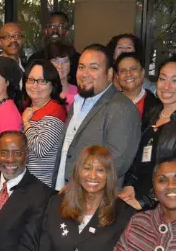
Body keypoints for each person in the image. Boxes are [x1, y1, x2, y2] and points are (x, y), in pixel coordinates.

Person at [16, 146, 135, 251]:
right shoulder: (56, 204)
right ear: (78, 171)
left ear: (109, 174)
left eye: (100, 170)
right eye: (87, 168)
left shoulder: (125, 215)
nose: (92, 176)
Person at [119, 55, 176, 211]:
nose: (166, 86)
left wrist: (144, 201)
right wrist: (129, 186)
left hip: (166, 205)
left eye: (175, 80)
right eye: (162, 79)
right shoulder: (151, 113)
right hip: (135, 197)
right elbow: (137, 157)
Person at [53, 44, 141, 191]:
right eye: (81, 67)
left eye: (93, 68)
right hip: (63, 195)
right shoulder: (77, 102)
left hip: (94, 202)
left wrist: (76, 189)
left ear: (110, 73)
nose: (85, 73)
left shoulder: (121, 108)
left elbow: (116, 162)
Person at [22, 59, 67, 187]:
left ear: (52, 85)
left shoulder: (55, 111)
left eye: (42, 81)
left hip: (42, 186)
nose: (35, 86)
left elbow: (41, 149)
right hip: (26, 184)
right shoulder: (28, 108)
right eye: (31, 80)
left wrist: (25, 123)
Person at [27, 11, 80, 86]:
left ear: (67, 32)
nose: (55, 30)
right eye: (51, 26)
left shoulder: (76, 59)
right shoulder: (36, 59)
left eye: (60, 26)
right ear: (46, 30)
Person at [113, 52, 159, 119]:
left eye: (133, 69)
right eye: (123, 71)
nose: (128, 74)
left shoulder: (157, 106)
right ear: (117, 77)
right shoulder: (109, 104)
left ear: (142, 72)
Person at [46, 42, 79, 112]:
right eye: (55, 61)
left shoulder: (79, 95)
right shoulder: (39, 90)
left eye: (65, 61)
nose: (60, 66)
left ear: (71, 64)